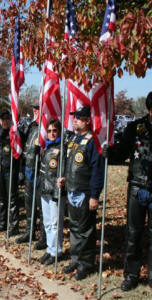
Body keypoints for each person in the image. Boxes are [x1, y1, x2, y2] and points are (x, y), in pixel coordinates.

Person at [107, 91, 152, 291]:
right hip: (137, 186)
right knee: (133, 233)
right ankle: (131, 275)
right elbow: (122, 152)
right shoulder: (135, 128)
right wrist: (110, 152)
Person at [57, 106, 104, 280]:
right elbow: (73, 165)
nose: (74, 120)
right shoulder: (74, 139)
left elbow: (97, 171)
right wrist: (65, 179)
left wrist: (94, 195)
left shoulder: (93, 141)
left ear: (87, 121)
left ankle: (86, 264)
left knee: (86, 230)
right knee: (75, 228)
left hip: (84, 193)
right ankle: (76, 260)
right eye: (74, 117)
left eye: (78, 118)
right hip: (72, 190)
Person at [16, 101, 46, 250]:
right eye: (34, 108)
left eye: (38, 108)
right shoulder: (32, 126)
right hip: (28, 169)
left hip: (41, 172)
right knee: (29, 203)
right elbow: (25, 148)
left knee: (41, 205)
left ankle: (43, 236)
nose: (35, 110)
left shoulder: (48, 128)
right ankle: (30, 232)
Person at [38, 119, 65, 266]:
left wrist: (60, 187)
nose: (52, 133)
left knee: (55, 223)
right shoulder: (47, 147)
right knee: (47, 222)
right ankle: (50, 248)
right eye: (49, 131)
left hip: (55, 191)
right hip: (45, 189)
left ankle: (57, 251)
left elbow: (62, 170)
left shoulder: (62, 148)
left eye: (54, 130)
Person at [0, 110, 20, 236]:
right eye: (3, 119)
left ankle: (14, 226)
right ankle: (3, 223)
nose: (5, 121)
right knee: (2, 198)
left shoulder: (14, 132)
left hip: (10, 169)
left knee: (12, 199)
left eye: (7, 119)